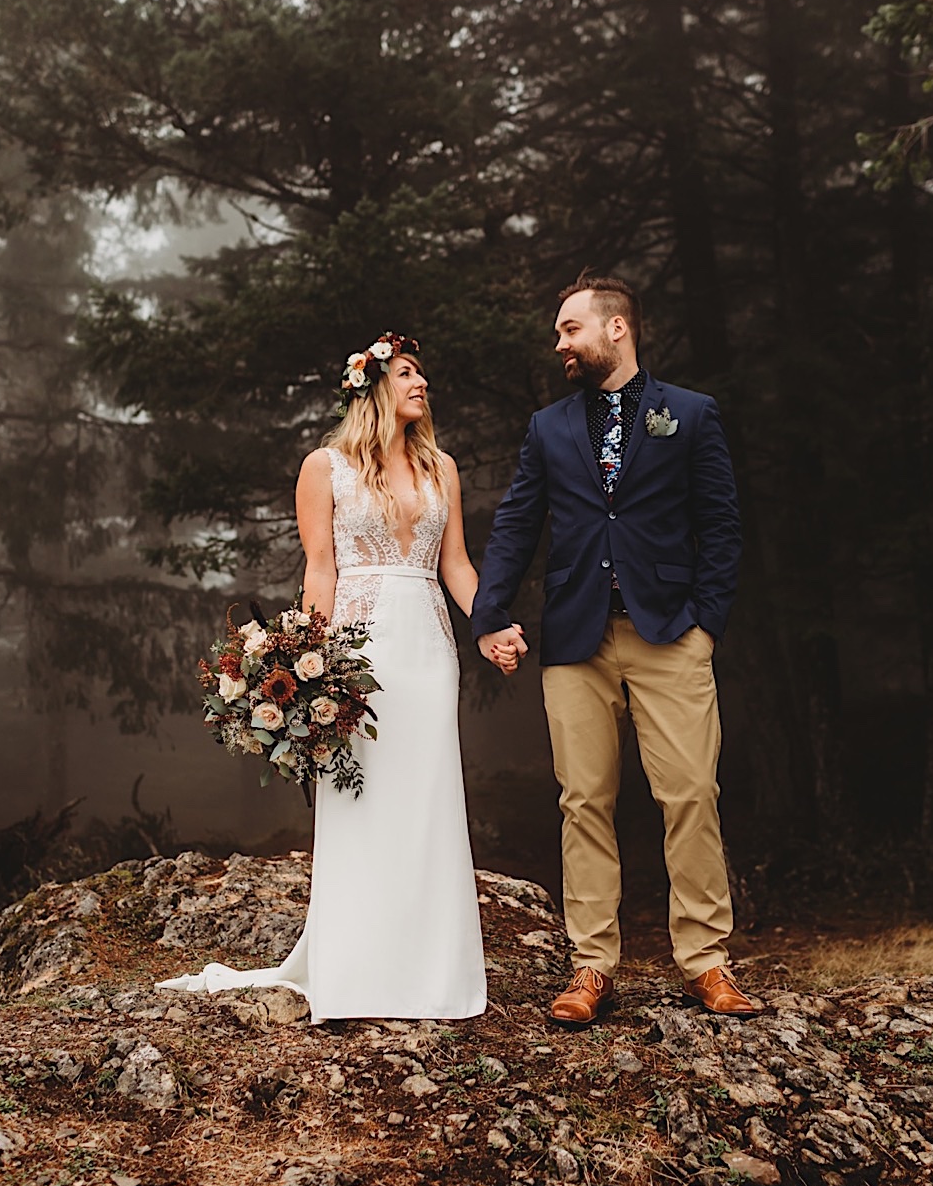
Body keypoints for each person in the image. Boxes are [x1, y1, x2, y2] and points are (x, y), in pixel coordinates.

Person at [158, 333, 500, 1021]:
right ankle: (358, 966)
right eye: (407, 373)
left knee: (428, 796)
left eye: (423, 375)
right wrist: (305, 665)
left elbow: (457, 563)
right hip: (359, 646)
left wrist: (490, 625)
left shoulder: (442, 468)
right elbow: (320, 569)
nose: (422, 384)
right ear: (371, 387)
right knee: (363, 799)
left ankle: (432, 969)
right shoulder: (325, 467)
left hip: (428, 646)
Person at [471, 275, 762, 1026]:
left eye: (570, 329)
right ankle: (592, 964)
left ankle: (706, 961)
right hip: (576, 639)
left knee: (691, 794)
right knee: (583, 801)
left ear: (617, 329)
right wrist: (488, 613)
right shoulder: (548, 427)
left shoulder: (690, 413)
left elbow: (722, 526)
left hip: (670, 632)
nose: (560, 344)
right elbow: (517, 523)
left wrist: (706, 623)